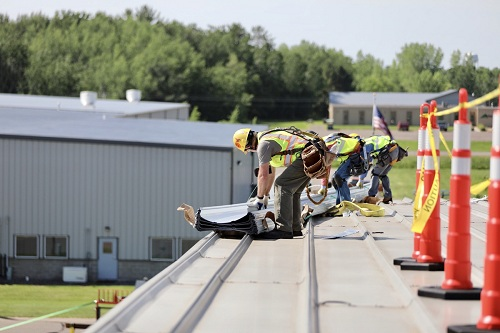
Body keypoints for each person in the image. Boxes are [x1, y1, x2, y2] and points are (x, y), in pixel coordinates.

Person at [233, 128, 312, 239]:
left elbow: (262, 175)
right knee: (293, 191)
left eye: (248, 149)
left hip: (307, 156)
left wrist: (259, 198)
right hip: (312, 155)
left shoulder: (263, 145)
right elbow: (271, 172)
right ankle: (295, 228)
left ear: (249, 145)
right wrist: (265, 195)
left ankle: (284, 229)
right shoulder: (268, 137)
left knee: (282, 185)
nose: (251, 151)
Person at [318, 133, 366, 204]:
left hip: (355, 154)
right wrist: (323, 186)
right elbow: (327, 167)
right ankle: (340, 204)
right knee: (334, 180)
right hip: (349, 154)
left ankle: (347, 203)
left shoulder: (328, 147)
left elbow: (326, 167)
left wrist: (361, 179)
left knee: (339, 177)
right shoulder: (324, 142)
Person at [360, 135, 407, 204]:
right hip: (395, 152)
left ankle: (371, 197)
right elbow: (369, 162)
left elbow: (366, 163)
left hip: (388, 154)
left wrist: (361, 178)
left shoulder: (366, 146)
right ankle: (388, 197)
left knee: (375, 173)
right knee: (382, 175)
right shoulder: (373, 140)